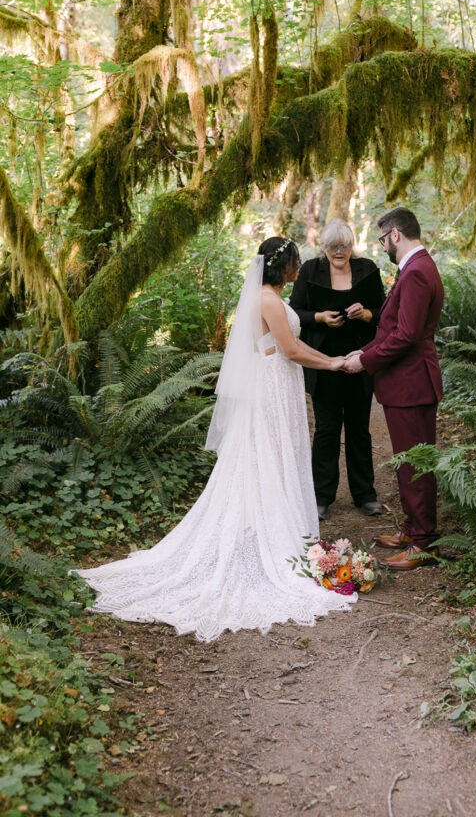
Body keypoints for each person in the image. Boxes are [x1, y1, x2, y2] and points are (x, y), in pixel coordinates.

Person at [75, 238, 356, 641]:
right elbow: (291, 350)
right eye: (295, 261)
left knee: (272, 457)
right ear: (284, 266)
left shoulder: (268, 296)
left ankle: (267, 529)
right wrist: (333, 362)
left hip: (276, 384)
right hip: (274, 385)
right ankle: (267, 536)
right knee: (270, 457)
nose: (300, 266)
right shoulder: (270, 301)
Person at [345, 208, 444, 570]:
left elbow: (406, 335)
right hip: (406, 382)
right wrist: (366, 351)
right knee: (408, 463)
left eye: (382, 239)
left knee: (416, 465)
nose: (383, 246)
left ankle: (423, 542)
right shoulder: (415, 269)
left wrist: (366, 362)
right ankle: (413, 529)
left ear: (395, 235)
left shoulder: (417, 272)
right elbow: (395, 330)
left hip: (412, 383)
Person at [290, 219, 385, 520]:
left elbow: (384, 313)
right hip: (324, 363)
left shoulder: (367, 269)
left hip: (360, 361)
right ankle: (321, 497)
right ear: (324, 248)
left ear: (351, 246)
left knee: (359, 428)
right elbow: (294, 313)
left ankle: (365, 495)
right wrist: (319, 317)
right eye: (333, 247)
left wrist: (366, 313)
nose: (339, 252)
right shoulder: (310, 270)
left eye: (344, 246)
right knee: (327, 429)